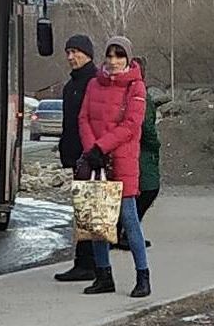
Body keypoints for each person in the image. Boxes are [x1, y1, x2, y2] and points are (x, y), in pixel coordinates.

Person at [78, 36, 151, 298]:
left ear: (128, 59)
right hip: (97, 160)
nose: (113, 61)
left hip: (121, 160)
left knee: (129, 221)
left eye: (119, 56)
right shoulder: (93, 84)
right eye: (110, 55)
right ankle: (103, 275)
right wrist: (91, 150)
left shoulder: (136, 87)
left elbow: (131, 125)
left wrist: (102, 147)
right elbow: (84, 117)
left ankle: (142, 275)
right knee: (99, 221)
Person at [53, 34, 101, 282]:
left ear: (88, 54)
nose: (71, 57)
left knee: (91, 211)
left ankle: (91, 264)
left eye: (76, 52)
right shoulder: (71, 86)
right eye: (68, 53)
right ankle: (85, 262)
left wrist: (95, 151)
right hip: (76, 156)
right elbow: (69, 123)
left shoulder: (95, 82)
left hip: (92, 156)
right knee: (83, 210)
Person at [115, 57, 165, 249]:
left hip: (127, 150)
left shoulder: (121, 92)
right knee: (147, 189)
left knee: (130, 194)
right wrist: (155, 144)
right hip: (140, 151)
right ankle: (128, 233)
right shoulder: (140, 95)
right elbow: (145, 126)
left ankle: (120, 232)